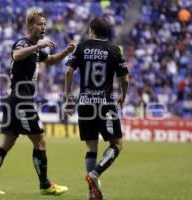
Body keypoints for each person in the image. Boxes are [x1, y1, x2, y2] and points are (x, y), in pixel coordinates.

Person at [0, 9, 76, 195]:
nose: (43, 28)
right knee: (40, 141)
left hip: (14, 101)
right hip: (21, 101)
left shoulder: (34, 48)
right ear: (30, 26)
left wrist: (67, 51)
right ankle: (45, 185)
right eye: (40, 24)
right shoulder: (24, 43)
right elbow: (16, 55)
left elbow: (51, 60)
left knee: (7, 142)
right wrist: (38, 46)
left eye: (45, 25)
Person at [64, 17, 129, 200]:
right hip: (105, 104)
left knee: (91, 147)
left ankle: (92, 195)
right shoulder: (114, 50)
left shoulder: (81, 47)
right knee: (116, 144)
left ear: (92, 29)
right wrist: (123, 95)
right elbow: (124, 79)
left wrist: (69, 99)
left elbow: (68, 71)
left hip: (84, 104)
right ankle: (96, 173)